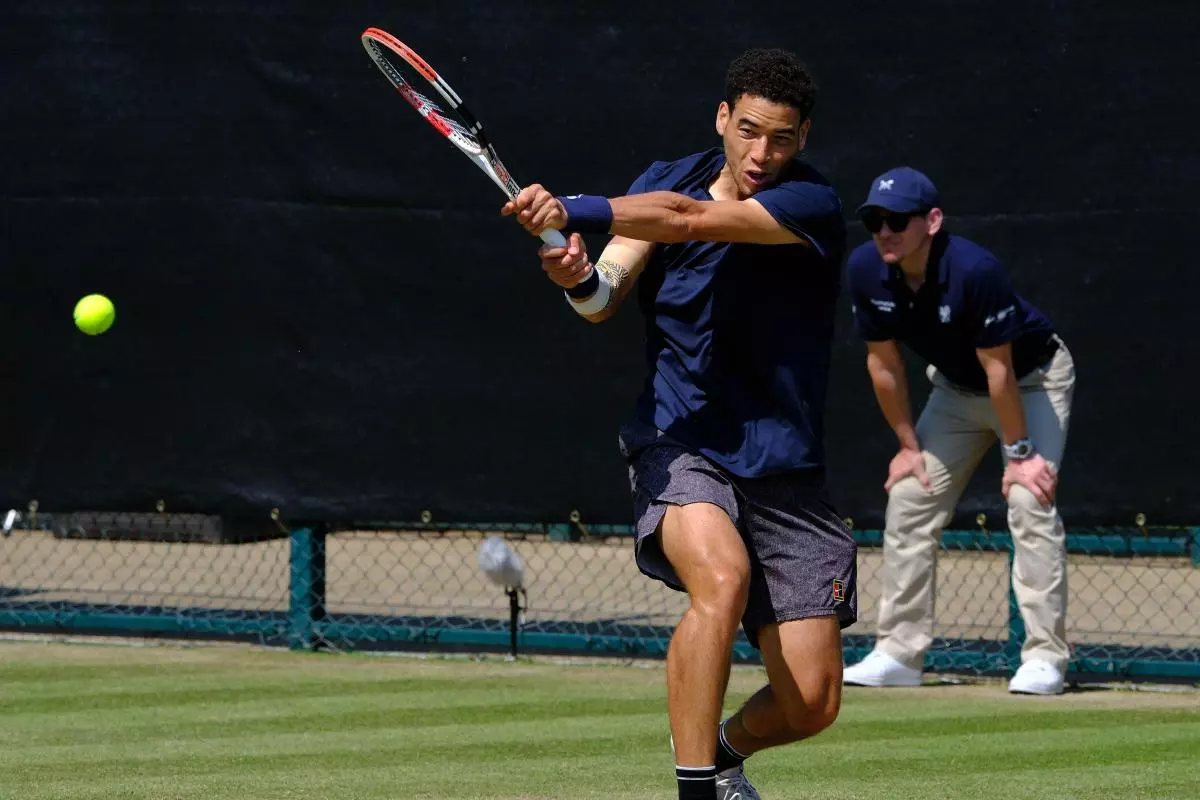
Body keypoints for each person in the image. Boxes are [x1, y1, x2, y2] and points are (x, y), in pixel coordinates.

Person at [501, 48, 857, 800]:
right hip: (682, 440)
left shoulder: (811, 205)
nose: (764, 154)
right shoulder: (664, 178)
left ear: (804, 140)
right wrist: (576, 278)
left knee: (813, 701)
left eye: (783, 138)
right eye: (750, 131)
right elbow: (604, 297)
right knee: (720, 581)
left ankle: (722, 754)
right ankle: (696, 790)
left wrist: (574, 210)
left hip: (787, 467)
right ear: (722, 118)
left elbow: (689, 219)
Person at [841, 167, 1075, 696]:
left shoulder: (975, 269)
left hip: (1032, 382)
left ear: (933, 221)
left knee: (1028, 500)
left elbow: (1001, 373)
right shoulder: (866, 269)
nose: (884, 231)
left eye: (896, 220)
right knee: (909, 495)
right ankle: (898, 654)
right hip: (954, 392)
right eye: (874, 220)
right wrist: (907, 444)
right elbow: (884, 366)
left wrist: (1020, 456)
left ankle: (1045, 660)